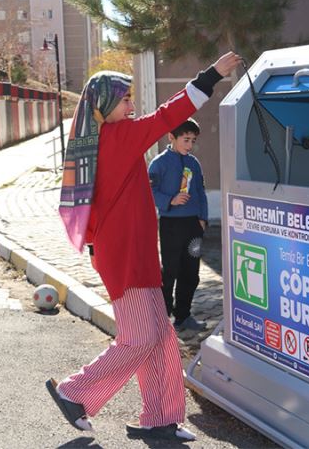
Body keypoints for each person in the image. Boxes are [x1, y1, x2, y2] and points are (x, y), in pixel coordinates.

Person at [48, 52, 242, 441]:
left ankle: (161, 417)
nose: (132, 106)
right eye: (124, 100)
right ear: (105, 106)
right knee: (140, 337)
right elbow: (168, 117)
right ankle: (75, 393)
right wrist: (211, 77)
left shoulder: (105, 138)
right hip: (125, 256)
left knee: (160, 333)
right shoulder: (116, 138)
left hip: (134, 251)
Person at [149, 118, 208, 332]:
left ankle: (183, 316)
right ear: (171, 137)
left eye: (193, 140)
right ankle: (163, 319)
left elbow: (201, 193)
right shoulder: (159, 163)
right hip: (171, 225)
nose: (190, 145)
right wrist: (170, 200)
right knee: (170, 270)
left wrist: (202, 219)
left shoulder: (194, 163)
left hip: (193, 226)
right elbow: (150, 191)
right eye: (185, 140)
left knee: (191, 272)